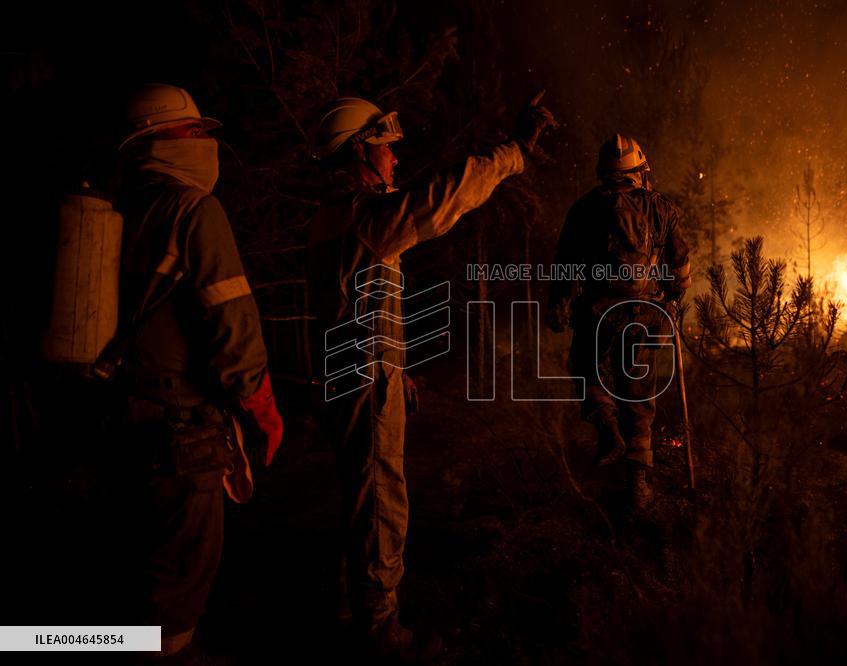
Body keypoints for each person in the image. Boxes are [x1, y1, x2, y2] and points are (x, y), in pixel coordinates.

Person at [307, 94, 555, 661]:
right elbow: (442, 200)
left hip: (357, 370)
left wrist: (398, 366)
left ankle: (351, 605)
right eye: (387, 148)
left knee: (359, 490)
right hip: (364, 378)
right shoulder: (362, 213)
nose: (396, 159)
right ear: (360, 150)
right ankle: (379, 630)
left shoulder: (337, 214)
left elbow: (355, 304)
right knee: (379, 496)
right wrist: (512, 153)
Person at [112, 83, 284, 658]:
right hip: (181, 436)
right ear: (157, 140)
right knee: (175, 592)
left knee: (131, 576)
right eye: (194, 130)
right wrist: (262, 411)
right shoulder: (192, 209)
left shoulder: (115, 214)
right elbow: (232, 324)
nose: (206, 140)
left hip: (119, 424)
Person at [546, 133, 691, 511]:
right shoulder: (661, 208)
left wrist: (559, 304)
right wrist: (674, 297)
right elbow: (680, 263)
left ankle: (607, 428)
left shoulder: (584, 208)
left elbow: (565, 264)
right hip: (643, 313)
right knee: (638, 394)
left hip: (597, 313)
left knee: (586, 370)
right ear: (639, 171)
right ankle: (638, 485)